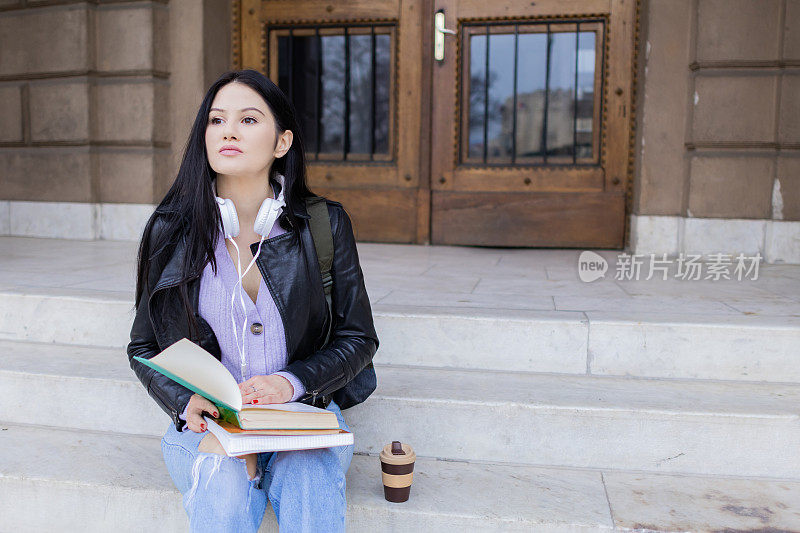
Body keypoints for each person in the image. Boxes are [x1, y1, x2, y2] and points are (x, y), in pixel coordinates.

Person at [127, 69, 379, 532]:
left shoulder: (325, 225)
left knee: (307, 477)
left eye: (248, 119)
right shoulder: (170, 229)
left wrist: (293, 382)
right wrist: (185, 401)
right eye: (216, 120)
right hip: (211, 425)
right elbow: (143, 347)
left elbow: (359, 338)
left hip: (301, 418)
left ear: (282, 143)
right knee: (223, 479)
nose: (227, 130)